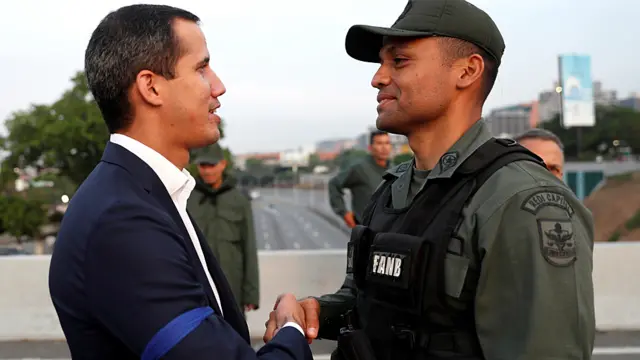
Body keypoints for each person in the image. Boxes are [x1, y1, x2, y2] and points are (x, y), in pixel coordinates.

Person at [263, 1, 595, 359]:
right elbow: (379, 304)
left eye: (399, 61)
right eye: (381, 62)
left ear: (467, 71)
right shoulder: (395, 187)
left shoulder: (519, 200)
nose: (378, 77)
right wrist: (315, 311)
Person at [48, 5, 312, 360]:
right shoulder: (122, 220)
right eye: (202, 68)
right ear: (151, 87)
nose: (219, 86)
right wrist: (292, 329)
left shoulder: (141, 193)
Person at [187, 143, 260, 315]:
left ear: (223, 164)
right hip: (197, 286)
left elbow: (249, 247)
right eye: (203, 166)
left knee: (234, 336)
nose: (207, 171)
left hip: (231, 286)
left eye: (211, 165)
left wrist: (251, 294)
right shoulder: (187, 198)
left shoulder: (239, 201)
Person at [328, 130, 392, 228]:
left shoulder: (395, 170)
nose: (384, 148)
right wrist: (344, 213)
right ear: (370, 147)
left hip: (390, 232)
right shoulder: (359, 169)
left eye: (387, 143)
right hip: (366, 232)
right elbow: (334, 184)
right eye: (379, 143)